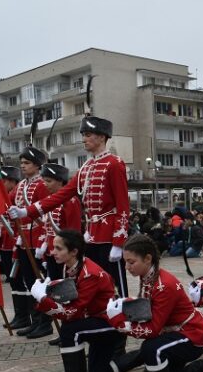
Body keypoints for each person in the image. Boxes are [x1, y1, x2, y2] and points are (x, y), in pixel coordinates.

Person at [8, 116, 130, 298]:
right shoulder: (86, 167)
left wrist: (119, 241)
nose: (84, 139)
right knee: (95, 282)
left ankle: (122, 320)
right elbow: (61, 195)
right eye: (83, 135)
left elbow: (123, 205)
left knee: (116, 284)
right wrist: (27, 211)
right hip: (92, 234)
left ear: (102, 137)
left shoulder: (114, 163)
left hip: (108, 234)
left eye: (88, 135)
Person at [106, 234, 203, 372]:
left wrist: (120, 323)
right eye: (126, 262)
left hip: (191, 336)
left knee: (151, 349)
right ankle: (200, 368)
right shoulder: (148, 275)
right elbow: (149, 311)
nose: (126, 267)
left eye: (131, 262)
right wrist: (124, 306)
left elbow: (153, 329)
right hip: (173, 334)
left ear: (148, 258)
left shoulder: (164, 285)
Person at [29, 230, 125, 372]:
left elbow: (71, 312)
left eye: (58, 248)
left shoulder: (90, 273)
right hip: (95, 321)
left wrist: (43, 299)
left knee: (70, 330)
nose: (53, 252)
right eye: (53, 247)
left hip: (110, 323)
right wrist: (49, 291)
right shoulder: (70, 266)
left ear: (74, 252)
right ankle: (140, 356)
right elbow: (71, 301)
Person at [8, 146, 53, 338]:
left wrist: (44, 241)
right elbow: (7, 202)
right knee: (29, 282)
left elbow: (48, 212)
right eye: (22, 163)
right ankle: (35, 321)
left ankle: (45, 322)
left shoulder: (42, 184)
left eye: (27, 163)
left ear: (37, 165)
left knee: (40, 282)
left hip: (38, 238)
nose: (23, 166)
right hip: (24, 238)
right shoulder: (21, 186)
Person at [38, 163, 81, 281]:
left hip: (65, 253)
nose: (45, 184)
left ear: (60, 181)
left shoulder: (71, 201)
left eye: (49, 181)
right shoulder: (49, 200)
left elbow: (74, 232)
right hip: (51, 252)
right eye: (44, 181)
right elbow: (47, 229)